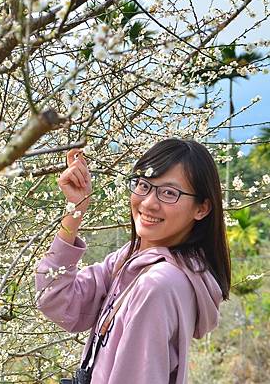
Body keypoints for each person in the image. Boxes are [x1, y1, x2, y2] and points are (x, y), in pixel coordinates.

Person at [34, 139, 231, 384]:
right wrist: (75, 210)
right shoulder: (131, 258)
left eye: (169, 193)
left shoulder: (158, 285)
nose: (149, 202)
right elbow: (56, 300)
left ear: (201, 208)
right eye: (143, 185)